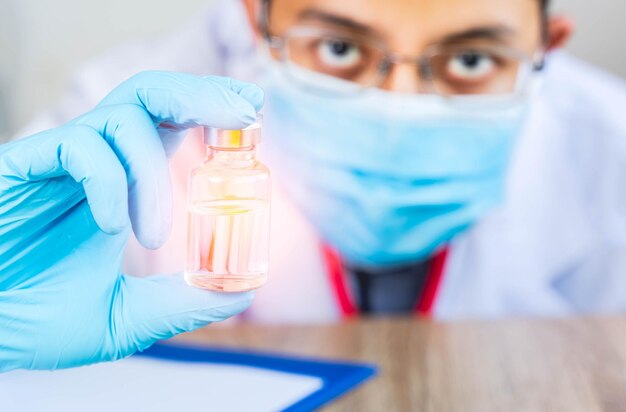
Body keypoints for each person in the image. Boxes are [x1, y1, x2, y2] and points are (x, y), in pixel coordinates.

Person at [2, 0, 626, 370]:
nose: (396, 110)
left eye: (469, 61)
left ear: (547, 46)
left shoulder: (608, 144)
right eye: (337, 47)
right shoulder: (120, 113)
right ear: (256, 18)